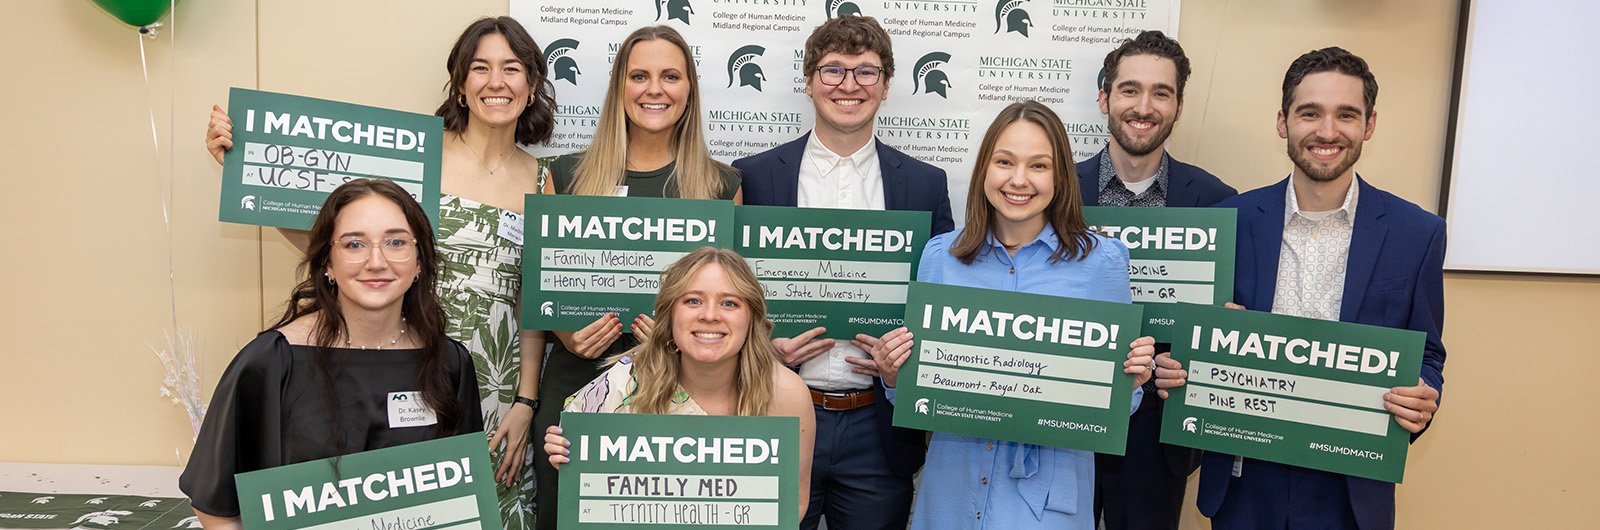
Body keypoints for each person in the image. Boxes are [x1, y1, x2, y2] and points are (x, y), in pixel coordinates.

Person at [204, 17, 557, 528]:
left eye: (512, 68)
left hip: (498, 385)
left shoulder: (545, 181)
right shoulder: (415, 162)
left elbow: (534, 301)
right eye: (480, 68)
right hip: (410, 369)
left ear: (531, 86)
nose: (495, 82)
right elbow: (342, 247)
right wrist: (243, 174)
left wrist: (526, 399)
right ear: (461, 84)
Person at [1153, 47, 1446, 530]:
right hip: (1244, 484)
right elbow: (1189, 345)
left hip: (1350, 485)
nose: (1327, 131)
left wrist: (1423, 393)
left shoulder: (1418, 234)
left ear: (1369, 125)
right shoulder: (1228, 221)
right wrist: (1178, 366)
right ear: (1282, 122)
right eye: (1309, 113)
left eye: (1346, 115)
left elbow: (1428, 355)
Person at [868, 100, 1157, 530]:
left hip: (1045, 506)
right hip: (952, 492)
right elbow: (914, 391)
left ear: (1060, 176)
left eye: (1039, 166)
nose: (1019, 180)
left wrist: (1131, 379)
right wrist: (894, 375)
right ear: (985, 167)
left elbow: (1120, 403)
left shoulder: (1102, 262)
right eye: (1004, 162)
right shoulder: (940, 257)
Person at [731, 15, 950, 530]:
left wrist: (907, 362)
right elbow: (727, 296)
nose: (849, 85)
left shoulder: (924, 185)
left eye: (866, 72)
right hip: (775, 414)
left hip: (879, 431)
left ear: (887, 85)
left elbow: (944, 302)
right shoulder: (754, 177)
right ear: (808, 82)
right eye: (832, 70)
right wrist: (763, 350)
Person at [530, 25, 743, 530]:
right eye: (639, 75)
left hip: (685, 395)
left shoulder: (721, 186)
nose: (655, 89)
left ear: (689, 88)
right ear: (619, 87)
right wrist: (565, 327)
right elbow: (542, 287)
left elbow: (733, 303)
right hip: (580, 384)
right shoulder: (566, 177)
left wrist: (679, 339)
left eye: (670, 76)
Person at [180, 179, 483, 530]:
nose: (376, 261)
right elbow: (216, 507)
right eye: (354, 244)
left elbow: (464, 502)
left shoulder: (450, 364)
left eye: (396, 242)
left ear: (419, 263)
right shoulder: (272, 363)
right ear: (328, 263)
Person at [1079, 30, 1236, 530]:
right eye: (1129, 89)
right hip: (1065, 419)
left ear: (1178, 106)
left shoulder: (1218, 203)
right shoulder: (1056, 188)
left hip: (1160, 433)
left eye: (1161, 93)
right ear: (1104, 97)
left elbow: (1227, 321)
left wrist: (1210, 343)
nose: (1143, 106)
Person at [541, 247, 816, 518]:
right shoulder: (626, 380)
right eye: (693, 301)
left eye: (729, 303)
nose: (709, 315)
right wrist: (565, 455)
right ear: (670, 314)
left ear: (751, 317)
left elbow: (793, 506)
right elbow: (587, 484)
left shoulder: (784, 392)